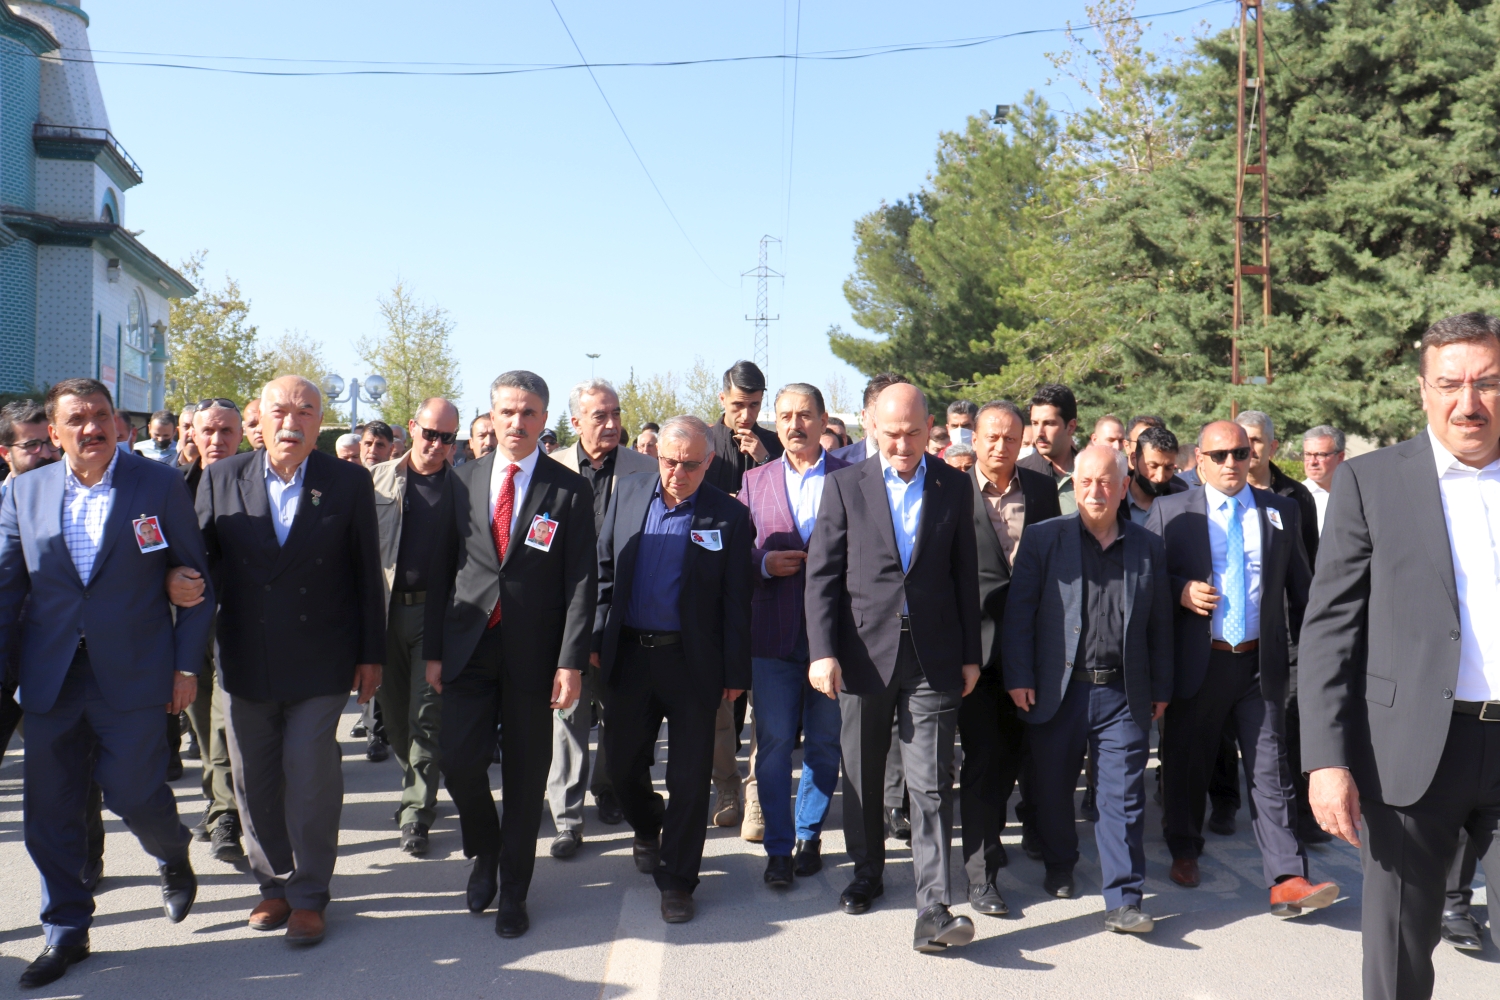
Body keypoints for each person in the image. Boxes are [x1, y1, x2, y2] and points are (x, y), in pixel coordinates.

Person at [1301, 312, 1500, 999]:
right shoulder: (1371, 483)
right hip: (1412, 751)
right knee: (1398, 953)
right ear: (1423, 391)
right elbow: (1329, 628)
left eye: (1487, 383)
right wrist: (1326, 760)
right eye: (1450, 384)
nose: (1467, 402)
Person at [0, 378, 214, 988]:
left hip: (135, 671)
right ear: (54, 429)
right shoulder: (24, 491)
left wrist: (186, 667)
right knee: (49, 811)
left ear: (119, 425)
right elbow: (7, 586)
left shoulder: (158, 484)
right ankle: (65, 930)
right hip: (50, 677)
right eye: (77, 419)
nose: (91, 428)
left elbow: (195, 584)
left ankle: (172, 851)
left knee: (134, 791)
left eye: (101, 416)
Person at [196, 376, 384, 947]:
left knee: (309, 774)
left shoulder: (347, 481)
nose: (291, 421)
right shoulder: (222, 477)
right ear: (259, 417)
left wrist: (371, 655)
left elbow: (365, 575)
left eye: (305, 410)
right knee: (254, 779)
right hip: (245, 656)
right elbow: (199, 565)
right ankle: (273, 884)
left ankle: (309, 894)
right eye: (280, 409)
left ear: (318, 422)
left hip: (321, 659)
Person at [805, 383, 982, 954]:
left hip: (933, 656)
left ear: (931, 426)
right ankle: (868, 872)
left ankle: (933, 902)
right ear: (869, 425)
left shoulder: (954, 485)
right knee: (860, 768)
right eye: (891, 432)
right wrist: (821, 651)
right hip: (861, 652)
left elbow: (964, 575)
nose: (902, 444)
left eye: (913, 432)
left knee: (930, 782)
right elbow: (822, 577)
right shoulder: (843, 485)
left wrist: (971, 654)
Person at [424, 371, 596, 938]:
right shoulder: (461, 479)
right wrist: (433, 650)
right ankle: (486, 851)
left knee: (526, 777)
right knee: (458, 759)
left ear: (545, 420)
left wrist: (570, 661)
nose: (516, 423)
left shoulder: (570, 489)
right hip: (469, 646)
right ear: (491, 417)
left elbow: (580, 582)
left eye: (528, 414)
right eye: (506, 413)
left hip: (535, 656)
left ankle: (515, 891)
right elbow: (440, 570)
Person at [1145, 420, 1338, 915]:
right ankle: (1184, 846)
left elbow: (1302, 591)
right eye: (1220, 454)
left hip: (1258, 664)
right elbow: (1141, 581)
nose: (1232, 462)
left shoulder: (1281, 511)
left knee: (1272, 771)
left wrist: (1308, 662)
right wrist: (1179, 590)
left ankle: (1287, 877)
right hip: (1199, 661)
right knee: (1188, 762)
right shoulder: (1171, 510)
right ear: (1200, 460)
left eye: (1240, 452)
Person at [1003, 446, 1173, 933]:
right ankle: (1060, 863)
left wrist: (1161, 685)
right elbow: (1020, 616)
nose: (1095, 492)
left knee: (1122, 798)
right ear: (1073, 487)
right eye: (1086, 483)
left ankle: (1124, 898)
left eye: (1106, 483)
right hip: (1059, 691)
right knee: (1052, 789)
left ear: (1124, 487)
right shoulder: (1043, 539)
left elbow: (1160, 625)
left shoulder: (1148, 547)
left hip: (1123, 693)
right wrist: (1019, 677)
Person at [595, 414, 751, 924]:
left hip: (692, 663)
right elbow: (604, 569)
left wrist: (735, 670)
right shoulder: (630, 493)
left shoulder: (728, 516)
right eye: (668, 461)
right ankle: (648, 825)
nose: (676, 473)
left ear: (708, 462)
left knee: (688, 779)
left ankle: (679, 880)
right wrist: (595, 639)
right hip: (631, 657)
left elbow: (735, 601)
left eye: (689, 465)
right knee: (620, 767)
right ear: (656, 454)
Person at [737, 384, 848, 888]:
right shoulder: (754, 481)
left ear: (824, 419)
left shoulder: (854, 478)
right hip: (772, 637)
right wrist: (761, 563)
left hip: (836, 641)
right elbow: (733, 553)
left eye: (805, 415)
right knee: (776, 744)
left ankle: (809, 835)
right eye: (784, 416)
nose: (794, 424)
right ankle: (778, 849)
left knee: (825, 744)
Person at [545, 380, 656, 851]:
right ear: (575, 423)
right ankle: (567, 818)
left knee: (619, 711)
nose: (612, 424)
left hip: (623, 610)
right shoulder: (549, 471)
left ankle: (609, 790)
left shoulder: (644, 470)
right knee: (568, 711)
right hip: (565, 608)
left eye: (615, 414)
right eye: (599, 416)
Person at [959, 399, 1061, 916]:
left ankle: (1045, 847)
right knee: (984, 763)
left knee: (1032, 758)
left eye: (1011, 438)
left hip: (1036, 650)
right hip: (975, 654)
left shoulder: (1042, 491)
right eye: (991, 437)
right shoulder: (951, 490)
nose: (1001, 447)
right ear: (973, 439)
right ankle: (982, 876)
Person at [371, 398, 460, 858]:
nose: (437, 444)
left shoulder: (463, 488)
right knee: (396, 715)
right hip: (384, 614)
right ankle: (417, 783)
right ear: (412, 429)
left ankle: (416, 813)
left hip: (435, 616)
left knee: (427, 716)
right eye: (430, 434)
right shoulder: (377, 482)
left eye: (447, 438)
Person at [176, 399, 247, 863]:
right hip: (186, 627)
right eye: (208, 432)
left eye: (226, 431)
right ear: (193, 436)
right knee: (202, 725)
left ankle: (226, 815)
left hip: (239, 624)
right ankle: (217, 801)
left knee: (226, 724)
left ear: (240, 435)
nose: (217, 441)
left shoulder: (252, 484)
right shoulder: (170, 486)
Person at [1236, 410, 1320, 567]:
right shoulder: (1220, 492)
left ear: (1272, 447)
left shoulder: (1297, 495)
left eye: (1256, 440)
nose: (1248, 448)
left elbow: (1308, 557)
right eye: (1243, 440)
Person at [704, 360, 783, 496]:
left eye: (754, 405)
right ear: (722, 399)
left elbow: (789, 494)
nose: (746, 416)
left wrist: (766, 460)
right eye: (738, 405)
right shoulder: (701, 443)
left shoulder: (777, 444)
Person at [1019, 384, 1079, 514]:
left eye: (1049, 423)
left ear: (1071, 426)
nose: (1039, 433)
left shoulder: (1091, 473)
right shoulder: (1017, 475)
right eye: (1035, 423)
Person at [832, 372, 910, 464]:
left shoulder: (928, 466)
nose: (892, 425)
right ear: (865, 418)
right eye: (881, 416)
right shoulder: (835, 464)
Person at [1120, 426, 1186, 525]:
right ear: (1134, 459)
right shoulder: (1113, 499)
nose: (1160, 477)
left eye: (1168, 468)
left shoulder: (1184, 501)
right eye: (1153, 466)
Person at [1299, 424, 1345, 534]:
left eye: (1320, 455)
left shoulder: (1353, 494)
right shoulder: (1296, 497)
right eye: (1307, 454)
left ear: (1340, 457)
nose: (1312, 462)